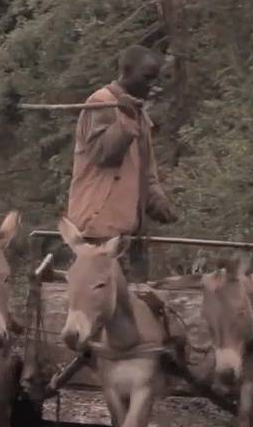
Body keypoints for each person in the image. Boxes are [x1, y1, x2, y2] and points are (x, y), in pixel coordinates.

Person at [65, 44, 178, 281]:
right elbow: (103, 154)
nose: (152, 85)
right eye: (147, 77)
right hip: (97, 232)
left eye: (156, 79)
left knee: (135, 306)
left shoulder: (139, 114)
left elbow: (145, 174)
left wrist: (158, 202)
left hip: (131, 233)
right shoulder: (101, 102)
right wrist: (125, 120)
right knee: (99, 305)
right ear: (126, 73)